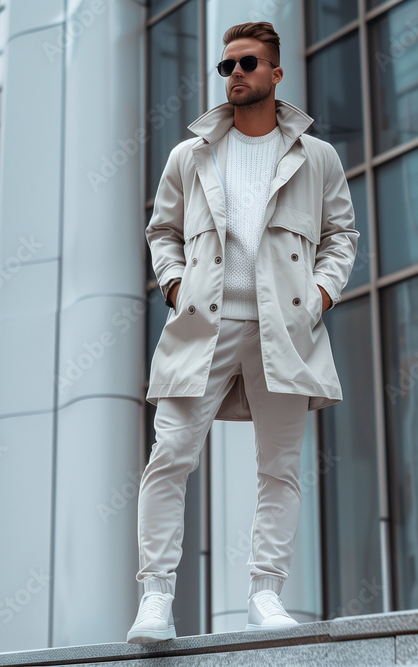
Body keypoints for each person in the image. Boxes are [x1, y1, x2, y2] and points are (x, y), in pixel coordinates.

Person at [127, 21, 358, 644]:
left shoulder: (318, 157)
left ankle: (266, 594)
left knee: (279, 467)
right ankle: (155, 597)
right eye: (225, 66)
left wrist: (320, 295)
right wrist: (176, 286)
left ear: (276, 74)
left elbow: (342, 235)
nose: (234, 74)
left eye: (247, 63)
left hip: (287, 325)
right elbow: (162, 233)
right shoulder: (190, 155)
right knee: (168, 458)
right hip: (203, 322)